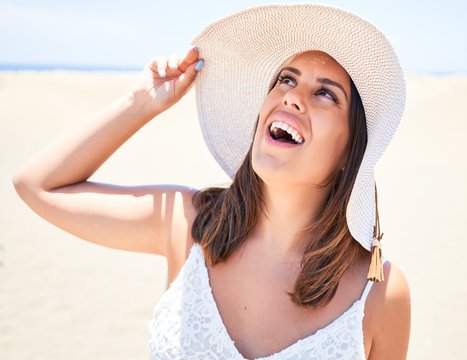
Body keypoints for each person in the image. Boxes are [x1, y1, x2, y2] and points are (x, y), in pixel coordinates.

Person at [13, 4, 410, 360]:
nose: (292, 97)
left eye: (325, 94)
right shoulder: (189, 226)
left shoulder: (378, 294)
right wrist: (142, 103)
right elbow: (38, 186)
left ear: (350, 154)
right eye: (286, 79)